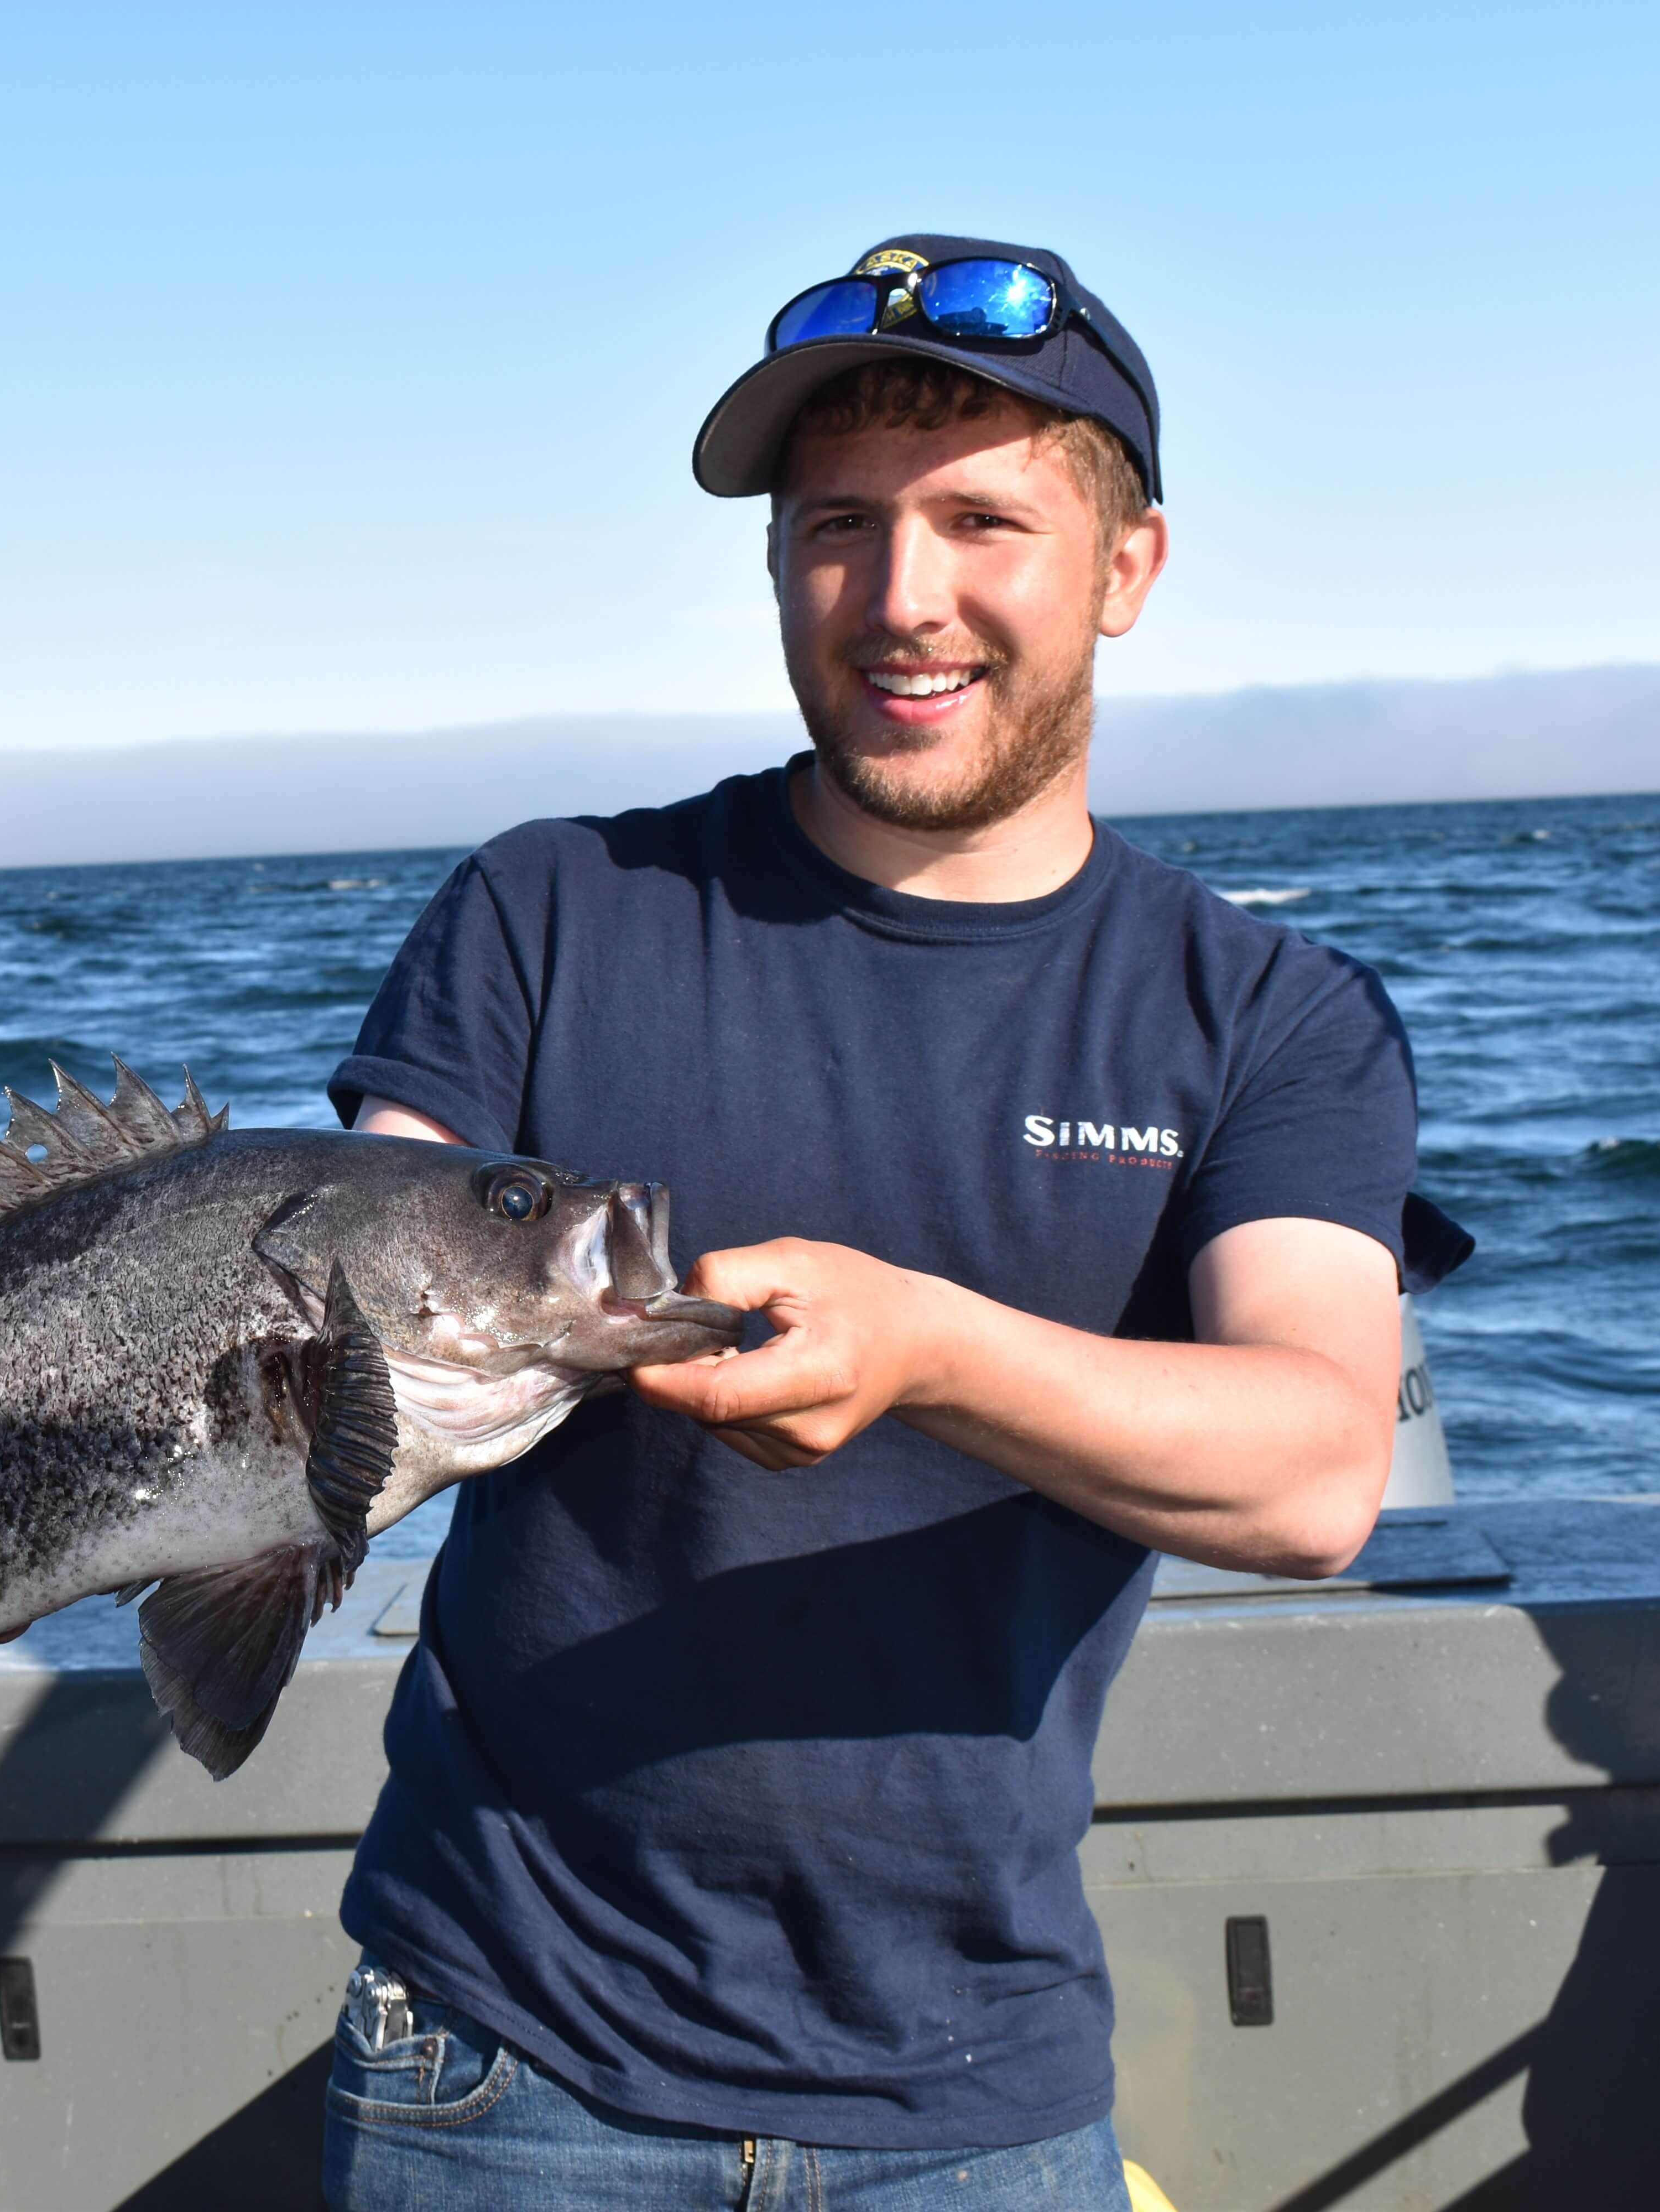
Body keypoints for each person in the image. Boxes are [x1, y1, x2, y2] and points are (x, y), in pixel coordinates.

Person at [319, 236, 1446, 2209]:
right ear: (774, 566)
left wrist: (931, 1352)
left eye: (981, 519)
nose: (902, 598)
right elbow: (324, 1287)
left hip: (982, 2099)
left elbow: (1317, 1471)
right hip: (497, 2058)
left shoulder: (1270, 1016)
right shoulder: (546, 912)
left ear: (1128, 569)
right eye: (839, 524)